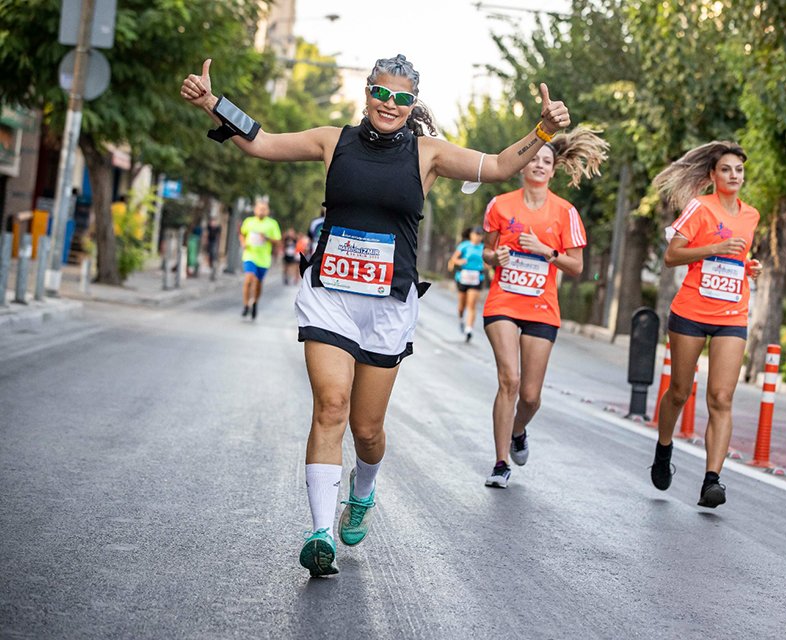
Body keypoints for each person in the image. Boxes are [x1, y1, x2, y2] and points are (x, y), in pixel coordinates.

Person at [181, 54, 572, 577]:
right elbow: (263, 142)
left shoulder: (428, 154)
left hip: (388, 305)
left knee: (367, 429)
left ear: (413, 105)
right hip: (330, 295)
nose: (390, 105)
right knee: (330, 406)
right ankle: (320, 533)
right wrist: (214, 104)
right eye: (381, 94)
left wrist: (543, 129)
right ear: (366, 93)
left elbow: (501, 165)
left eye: (402, 98)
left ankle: (362, 492)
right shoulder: (331, 140)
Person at [480, 129, 608, 488]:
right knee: (510, 379)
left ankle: (519, 429)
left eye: (546, 161)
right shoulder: (501, 206)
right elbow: (488, 252)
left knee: (531, 396)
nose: (538, 164)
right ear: (522, 165)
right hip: (503, 300)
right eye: (533, 158)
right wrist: (496, 256)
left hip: (541, 306)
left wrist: (544, 251)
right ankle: (500, 462)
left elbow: (577, 266)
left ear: (554, 170)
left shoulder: (565, 213)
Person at [649, 141, 762, 508]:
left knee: (722, 397)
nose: (734, 176)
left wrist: (749, 267)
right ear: (713, 175)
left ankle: (712, 481)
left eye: (739, 170)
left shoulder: (751, 216)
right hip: (692, 311)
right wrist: (712, 249)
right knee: (680, 391)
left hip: (732, 312)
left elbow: (737, 256)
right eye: (726, 169)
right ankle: (664, 449)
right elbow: (671, 256)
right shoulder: (700, 208)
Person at [239, 198, 282, 319]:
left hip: (263, 259)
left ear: (267, 211)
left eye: (264, 209)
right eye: (259, 209)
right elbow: (242, 234)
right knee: (249, 279)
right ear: (255, 210)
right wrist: (243, 243)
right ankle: (246, 304)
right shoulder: (249, 221)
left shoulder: (272, 224)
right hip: (250, 255)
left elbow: (278, 241)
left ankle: (255, 302)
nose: (261, 211)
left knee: (258, 283)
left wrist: (267, 238)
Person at [447, 226, 486, 342]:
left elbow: (488, 263)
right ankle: (460, 318)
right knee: (461, 305)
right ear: (471, 235)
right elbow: (454, 259)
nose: (477, 237)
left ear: (482, 236)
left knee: (472, 304)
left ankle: (469, 329)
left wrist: (487, 264)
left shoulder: (483, 248)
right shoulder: (464, 246)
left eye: (479, 235)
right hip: (463, 277)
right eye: (475, 234)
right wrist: (460, 261)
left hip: (476, 278)